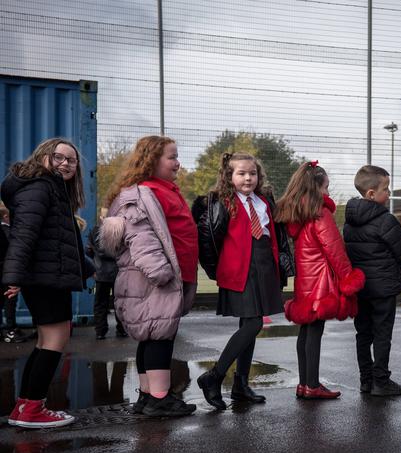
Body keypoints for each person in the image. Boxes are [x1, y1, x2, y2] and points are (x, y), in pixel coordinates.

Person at [100, 135, 198, 416]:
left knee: (152, 335)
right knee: (160, 337)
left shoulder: (163, 190)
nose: (178, 163)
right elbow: (140, 237)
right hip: (155, 279)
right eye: (172, 157)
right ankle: (159, 397)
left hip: (168, 277)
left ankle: (146, 395)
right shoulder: (141, 194)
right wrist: (160, 272)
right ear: (152, 160)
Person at [2, 138, 88, 428]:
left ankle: (24, 406)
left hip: (48, 275)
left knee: (44, 342)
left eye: (71, 161)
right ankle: (32, 410)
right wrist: (13, 277)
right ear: (43, 157)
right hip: (46, 277)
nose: (65, 163)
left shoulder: (50, 188)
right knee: (54, 341)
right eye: (59, 157)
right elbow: (24, 235)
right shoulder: (40, 187)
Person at [196, 152, 285, 410]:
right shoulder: (223, 202)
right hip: (239, 268)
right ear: (229, 176)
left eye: (253, 173)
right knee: (254, 323)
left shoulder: (264, 201)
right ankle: (214, 376)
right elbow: (209, 240)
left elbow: (274, 235)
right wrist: (217, 270)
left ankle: (241, 385)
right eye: (241, 173)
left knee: (251, 324)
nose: (248, 178)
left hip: (264, 265)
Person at [275, 161, 365, 400]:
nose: (327, 192)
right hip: (320, 282)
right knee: (314, 331)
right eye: (326, 187)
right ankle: (312, 385)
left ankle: (304, 383)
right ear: (315, 187)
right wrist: (348, 278)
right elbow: (334, 249)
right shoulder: (320, 212)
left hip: (306, 280)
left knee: (306, 331)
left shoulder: (299, 213)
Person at [343, 165, 401, 396]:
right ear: (371, 194)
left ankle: (366, 381)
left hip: (361, 287)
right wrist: (392, 271)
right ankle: (381, 381)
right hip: (383, 289)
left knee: (363, 334)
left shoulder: (349, 222)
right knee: (382, 334)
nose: (389, 193)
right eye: (386, 189)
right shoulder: (386, 220)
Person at [86, 218, 127, 340]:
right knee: (119, 302)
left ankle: (100, 331)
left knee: (100, 303)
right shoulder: (119, 230)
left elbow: (87, 251)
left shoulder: (95, 231)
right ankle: (122, 329)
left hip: (100, 273)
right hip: (118, 272)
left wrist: (95, 257)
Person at [0, 204, 26, 344]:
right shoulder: (6, 231)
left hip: (5, 270)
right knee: (10, 301)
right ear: (6, 216)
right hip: (7, 271)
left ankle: (10, 328)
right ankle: (10, 329)